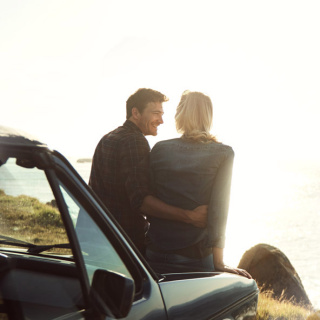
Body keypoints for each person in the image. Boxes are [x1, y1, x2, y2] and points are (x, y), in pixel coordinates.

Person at [146, 90, 251, 278]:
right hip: (194, 255)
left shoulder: (159, 149)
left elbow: (149, 201)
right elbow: (219, 210)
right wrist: (219, 262)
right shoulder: (223, 153)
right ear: (208, 116)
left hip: (153, 251)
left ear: (180, 114)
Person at [89, 88, 207, 254]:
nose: (161, 120)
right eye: (156, 113)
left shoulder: (109, 137)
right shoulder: (134, 141)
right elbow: (141, 201)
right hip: (122, 243)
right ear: (135, 113)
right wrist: (189, 216)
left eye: (162, 114)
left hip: (96, 236)